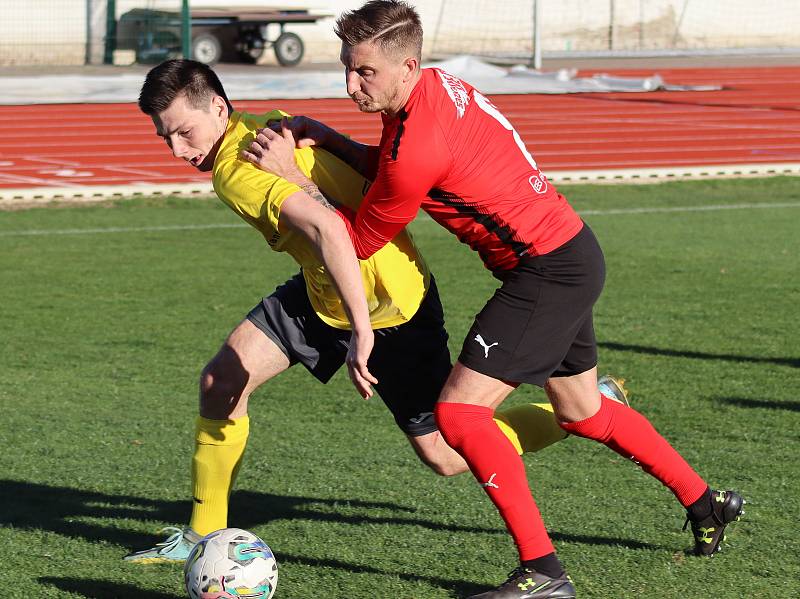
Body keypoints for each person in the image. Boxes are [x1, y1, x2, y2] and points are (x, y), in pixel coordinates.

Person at [242, 2, 745, 597]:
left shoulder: (417, 142)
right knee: (582, 412)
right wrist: (328, 138)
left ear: (407, 63)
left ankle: (543, 573)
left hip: (545, 273)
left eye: (364, 73)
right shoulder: (432, 90)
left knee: (458, 416)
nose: (351, 85)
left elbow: (355, 243)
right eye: (347, 69)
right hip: (572, 253)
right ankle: (706, 501)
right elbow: (397, 169)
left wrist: (293, 178)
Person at [123, 59, 629, 564]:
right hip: (325, 292)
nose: (179, 150)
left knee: (446, 454)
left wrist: (362, 329)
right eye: (166, 137)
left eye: (185, 132)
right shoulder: (272, 123)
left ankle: (578, 411)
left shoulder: (238, 173)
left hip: (388, 307)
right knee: (221, 381)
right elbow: (364, 189)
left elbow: (330, 230)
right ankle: (201, 535)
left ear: (217, 106)